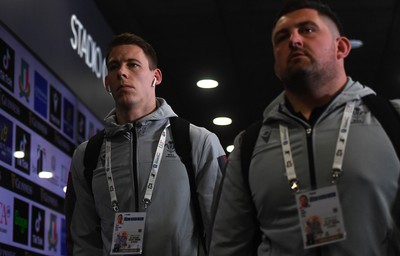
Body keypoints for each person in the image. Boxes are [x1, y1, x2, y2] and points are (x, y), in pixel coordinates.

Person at [209, 0, 400, 255]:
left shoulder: (391, 119)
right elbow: (229, 244)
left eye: (308, 30)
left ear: (341, 47)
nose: (294, 40)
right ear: (276, 63)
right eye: (282, 37)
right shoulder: (250, 143)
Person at [66, 32, 226, 255]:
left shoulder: (197, 141)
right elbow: (82, 241)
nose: (122, 72)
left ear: (156, 76)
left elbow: (223, 232)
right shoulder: (87, 156)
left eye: (133, 65)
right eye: (114, 67)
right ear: (107, 83)